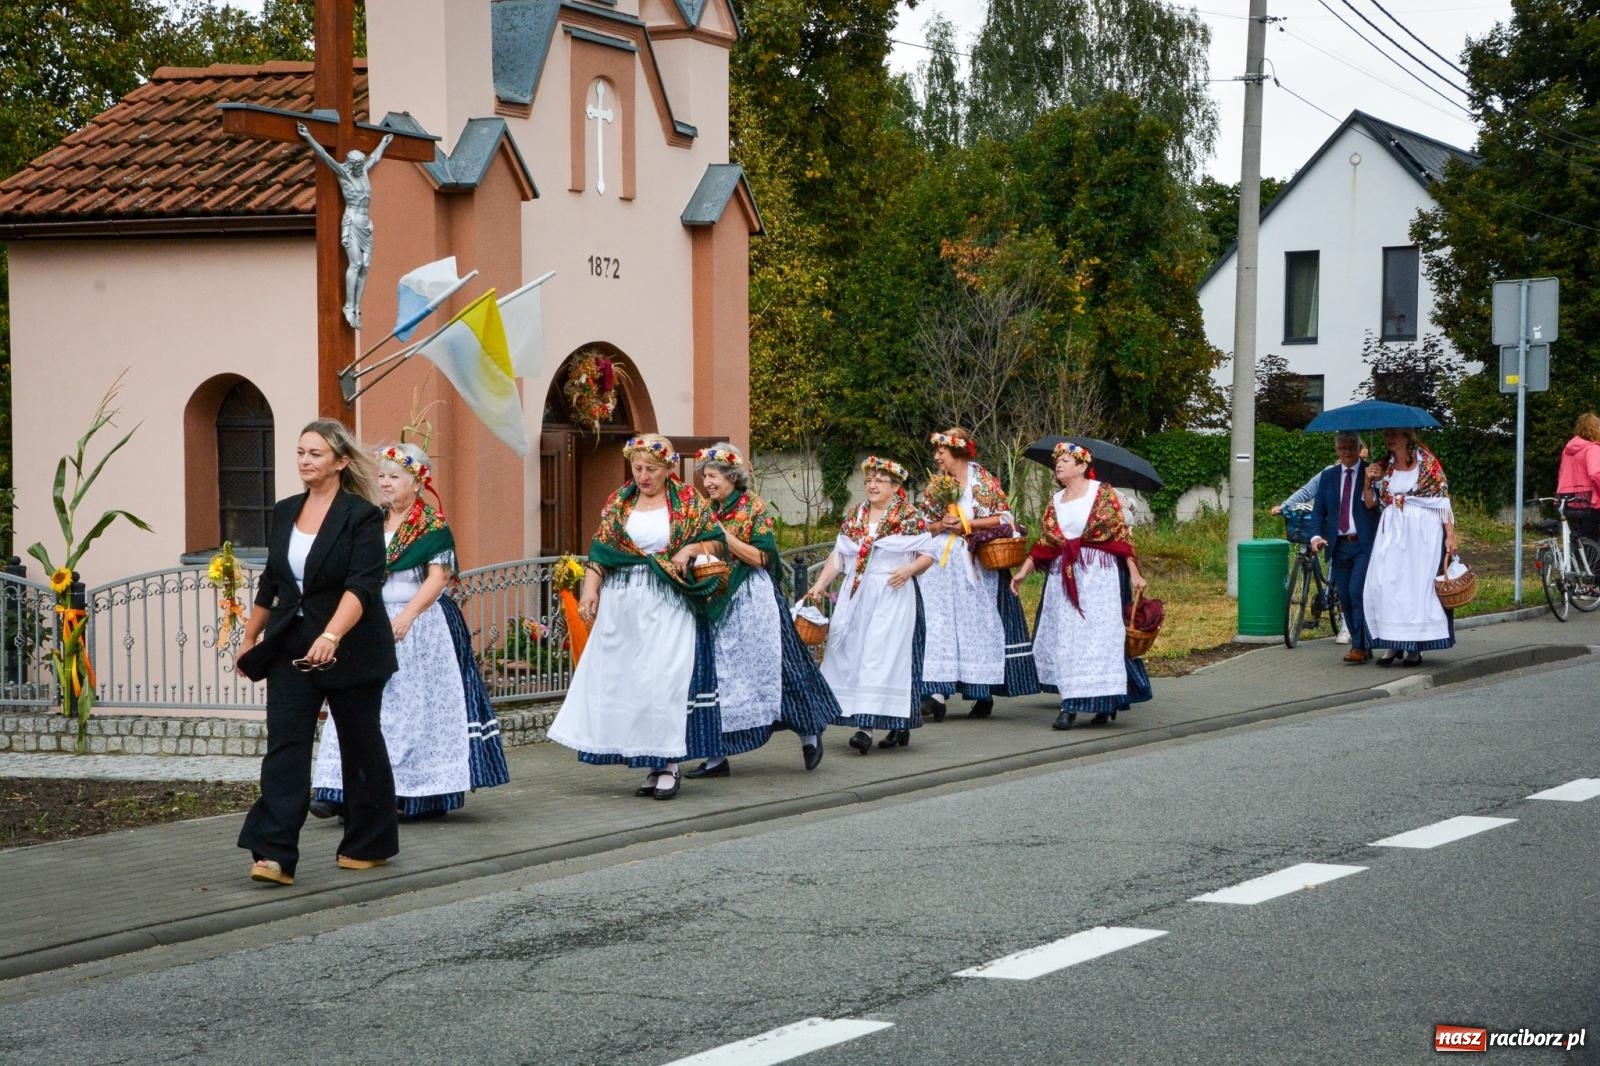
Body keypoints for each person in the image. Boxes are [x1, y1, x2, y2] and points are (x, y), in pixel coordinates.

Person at [236, 419, 398, 886]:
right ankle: (274, 853)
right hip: (290, 645)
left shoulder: (362, 515)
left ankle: (368, 844)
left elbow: (362, 585)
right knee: (285, 745)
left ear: (341, 462)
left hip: (353, 647)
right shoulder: (286, 510)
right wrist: (251, 638)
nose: (305, 461)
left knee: (360, 744)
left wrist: (331, 636)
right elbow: (273, 582)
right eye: (301, 452)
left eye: (316, 454)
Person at [310, 443, 509, 820]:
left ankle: (416, 793)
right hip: (368, 619)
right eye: (381, 475)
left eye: (393, 476)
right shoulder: (371, 520)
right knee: (357, 703)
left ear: (416, 483)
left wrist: (409, 616)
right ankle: (340, 789)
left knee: (412, 707)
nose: (384, 483)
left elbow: (438, 578)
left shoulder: (432, 526)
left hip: (417, 623)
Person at [546, 435, 727, 799]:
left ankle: (668, 763)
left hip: (668, 599)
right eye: (638, 468)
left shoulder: (687, 501)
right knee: (629, 681)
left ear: (668, 469)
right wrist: (590, 590)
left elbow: (716, 542)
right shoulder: (619, 502)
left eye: (651, 469)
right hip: (624, 601)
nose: (643, 476)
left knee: (663, 679)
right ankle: (648, 761)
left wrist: (690, 548)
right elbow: (601, 550)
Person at [683, 443, 841, 778]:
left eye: (712, 476)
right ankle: (716, 755)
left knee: (784, 666)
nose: (707, 482)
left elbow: (764, 557)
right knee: (720, 674)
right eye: (705, 477)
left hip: (755, 600)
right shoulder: (704, 509)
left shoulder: (751, 507)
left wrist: (724, 538)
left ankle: (810, 732)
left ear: (731, 476)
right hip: (718, 599)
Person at [1011, 442, 1152, 730]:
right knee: (1069, 640)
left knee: (1100, 639)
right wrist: (1022, 573)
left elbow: (1121, 537)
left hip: (1099, 575)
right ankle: (1070, 703)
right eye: (1057, 461)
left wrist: (1135, 573)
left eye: (1064, 460)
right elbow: (1045, 543)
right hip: (1065, 576)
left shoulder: (1102, 493)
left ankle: (1101, 702)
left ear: (1082, 465)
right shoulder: (1056, 499)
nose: (1058, 465)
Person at [806, 457, 940, 753]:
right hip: (858, 595)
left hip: (892, 593)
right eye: (869, 480)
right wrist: (819, 585)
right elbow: (840, 556)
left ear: (895, 487)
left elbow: (928, 554)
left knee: (882, 656)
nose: (872, 485)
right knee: (854, 653)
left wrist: (908, 571)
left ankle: (866, 728)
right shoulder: (855, 515)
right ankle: (882, 722)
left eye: (880, 480)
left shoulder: (908, 515)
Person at [916, 428, 1040, 721]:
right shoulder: (937, 485)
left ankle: (981, 691)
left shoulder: (982, 479)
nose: (936, 457)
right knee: (938, 622)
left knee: (977, 624)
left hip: (973, 563)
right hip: (940, 565)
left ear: (956, 452)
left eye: (941, 452)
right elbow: (923, 523)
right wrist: (941, 523)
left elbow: (1005, 517)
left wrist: (967, 524)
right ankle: (935, 692)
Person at [1361, 428, 1458, 666]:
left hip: (1423, 532)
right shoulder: (1384, 466)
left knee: (1417, 588)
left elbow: (1442, 500)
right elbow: (1371, 503)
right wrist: (1368, 479)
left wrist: (1450, 535)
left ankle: (1415, 649)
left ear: (1407, 437)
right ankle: (1392, 644)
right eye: (1387, 436)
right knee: (1387, 584)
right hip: (1393, 531)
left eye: (1394, 435)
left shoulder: (1427, 464)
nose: (1389, 440)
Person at [297, 122, 392, 330]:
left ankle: (358, 307)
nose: (359, 168)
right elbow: (324, 155)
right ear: (350, 164)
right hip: (351, 221)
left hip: (366, 224)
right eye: (356, 166)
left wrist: (383, 144)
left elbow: (375, 158)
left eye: (361, 165)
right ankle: (349, 306)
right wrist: (309, 136)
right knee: (356, 264)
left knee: (366, 266)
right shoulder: (344, 174)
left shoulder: (363, 172)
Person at [1273, 442, 1368, 645]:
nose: (1354, 457)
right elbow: (1306, 491)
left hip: (1352, 537)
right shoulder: (1328, 474)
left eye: (1361, 455)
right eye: (1346, 450)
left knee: (1347, 584)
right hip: (1326, 527)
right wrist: (1285, 505)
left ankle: (1346, 626)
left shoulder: (1366, 474)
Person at [1308, 433, 1379, 664]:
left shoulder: (1371, 472)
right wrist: (1316, 536)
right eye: (1343, 448)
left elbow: (1377, 504)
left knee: (1356, 592)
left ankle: (1359, 646)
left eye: (1351, 447)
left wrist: (1372, 480)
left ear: (1360, 448)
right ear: (1336, 450)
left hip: (1363, 544)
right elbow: (1319, 511)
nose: (1347, 451)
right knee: (1345, 598)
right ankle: (1363, 644)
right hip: (1338, 546)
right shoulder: (1328, 476)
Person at [1555, 412, 1600, 542]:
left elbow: (1561, 473)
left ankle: (1580, 561)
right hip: (1588, 502)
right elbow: (1596, 473)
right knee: (1590, 538)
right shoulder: (1593, 448)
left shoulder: (1567, 450)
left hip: (1566, 500)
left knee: (1578, 540)